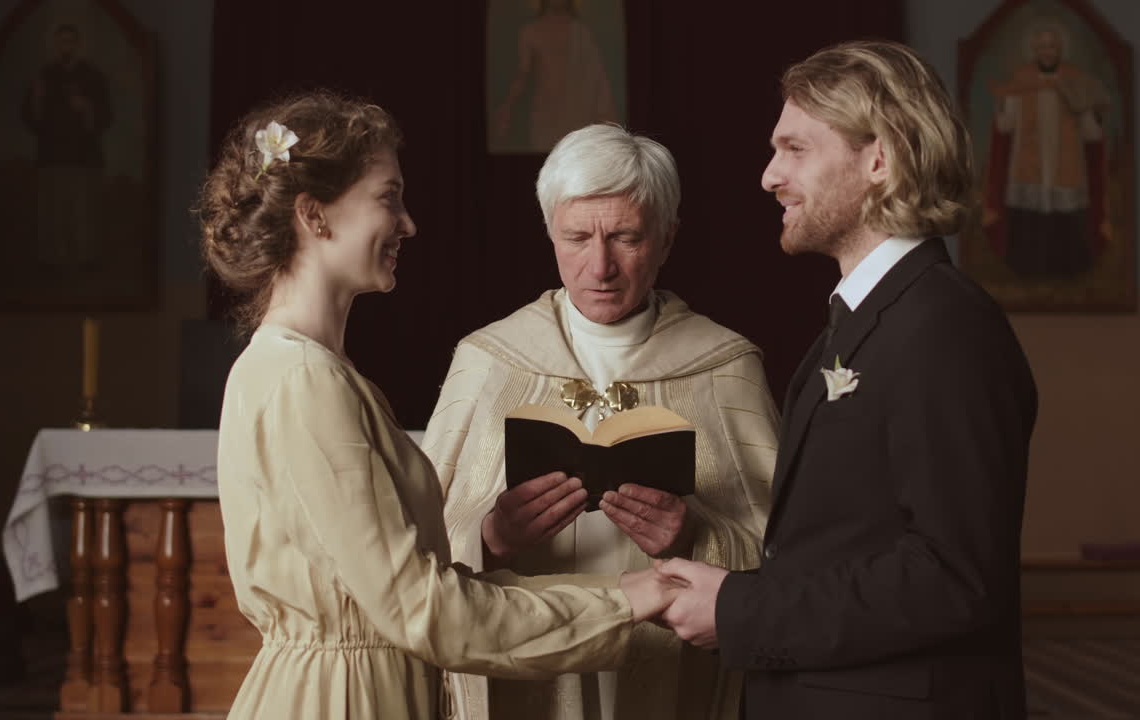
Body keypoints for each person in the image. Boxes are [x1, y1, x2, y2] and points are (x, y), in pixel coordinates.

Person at [197, 91, 678, 720]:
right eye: (388, 197)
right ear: (315, 216)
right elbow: (423, 611)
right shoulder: (301, 380)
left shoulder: (320, 371)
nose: (407, 223)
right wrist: (630, 598)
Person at [658, 40, 1038, 719]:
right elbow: (841, 544)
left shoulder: (943, 327)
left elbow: (954, 577)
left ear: (880, 160)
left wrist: (743, 610)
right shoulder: (871, 320)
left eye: (796, 149)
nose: (769, 176)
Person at [425, 123, 778, 720]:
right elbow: (415, 540)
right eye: (576, 237)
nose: (600, 265)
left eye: (625, 237)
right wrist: (489, 540)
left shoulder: (726, 366)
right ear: (549, 235)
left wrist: (694, 537)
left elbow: (792, 553)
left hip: (667, 668)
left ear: (667, 239)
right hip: (525, 658)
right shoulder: (486, 359)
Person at [984, 23, 1111, 278]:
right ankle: (1026, 271)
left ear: (1060, 48)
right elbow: (1006, 125)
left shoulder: (1075, 80)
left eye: (1052, 46)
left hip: (1067, 166)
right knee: (1030, 222)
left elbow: (1090, 132)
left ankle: (1069, 271)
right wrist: (1001, 104)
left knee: (1066, 222)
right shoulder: (1020, 81)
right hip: (1028, 164)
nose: (1047, 52)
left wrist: (1094, 115)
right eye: (1042, 46)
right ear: (1034, 49)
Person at [21, 23, 111, 266]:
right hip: (50, 157)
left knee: (83, 212)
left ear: (78, 45)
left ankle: (85, 260)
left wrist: (87, 108)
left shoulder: (93, 77)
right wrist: (38, 99)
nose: (66, 47)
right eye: (62, 42)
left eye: (70, 41)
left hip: (84, 158)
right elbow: (30, 119)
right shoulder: (44, 76)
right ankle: (52, 261)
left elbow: (106, 117)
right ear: (56, 45)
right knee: (51, 213)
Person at [490, 0, 617, 152]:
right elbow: (523, 75)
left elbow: (597, 77)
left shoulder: (581, 32)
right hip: (544, 110)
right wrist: (507, 109)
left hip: (576, 108)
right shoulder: (531, 31)